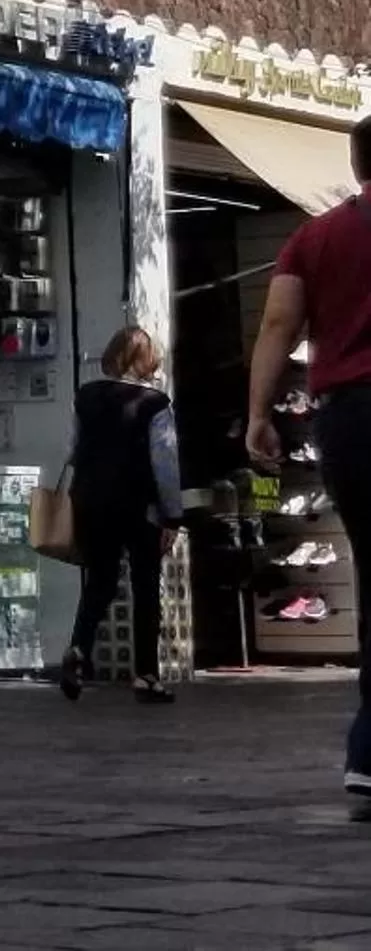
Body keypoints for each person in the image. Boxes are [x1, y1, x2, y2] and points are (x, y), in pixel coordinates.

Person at [247, 115, 371, 807]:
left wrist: (259, 412)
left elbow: (276, 324)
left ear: (354, 166)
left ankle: (369, 748)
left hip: (349, 416)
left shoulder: (313, 236)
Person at [58, 323, 183, 703]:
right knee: (146, 586)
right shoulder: (155, 404)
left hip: (90, 501)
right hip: (138, 506)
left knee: (100, 580)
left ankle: (79, 648)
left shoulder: (86, 396)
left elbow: (74, 449)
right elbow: (165, 462)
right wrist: (172, 516)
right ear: (147, 361)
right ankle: (146, 675)